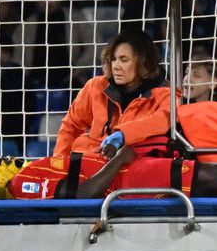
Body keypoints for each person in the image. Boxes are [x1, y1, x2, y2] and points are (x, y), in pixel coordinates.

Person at [0, 146, 217, 201]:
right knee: (213, 178)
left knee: (214, 176)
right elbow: (81, 196)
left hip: (128, 173)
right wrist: (119, 160)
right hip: (128, 183)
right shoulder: (20, 184)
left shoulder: (23, 174)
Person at [54, 29, 171, 159]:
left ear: (144, 62)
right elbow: (70, 127)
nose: (116, 66)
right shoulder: (95, 87)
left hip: (135, 164)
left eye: (124, 60)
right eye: (113, 59)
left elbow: (162, 121)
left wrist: (123, 135)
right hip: (92, 162)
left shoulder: (165, 93)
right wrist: (59, 163)